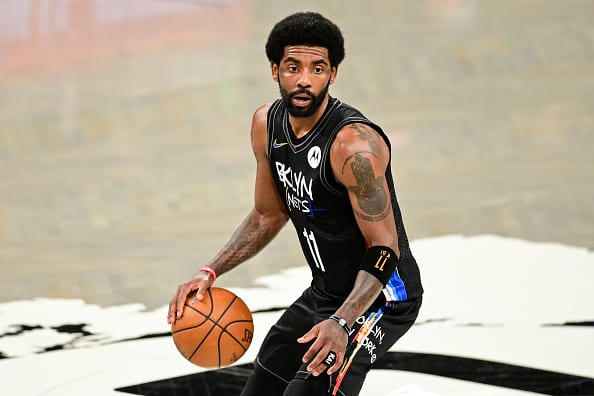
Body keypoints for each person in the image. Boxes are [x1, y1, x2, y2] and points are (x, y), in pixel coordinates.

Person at [167, 11, 423, 396]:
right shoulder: (266, 125)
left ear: (333, 73)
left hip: (382, 298)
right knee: (266, 378)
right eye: (293, 67)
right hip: (327, 291)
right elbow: (268, 214)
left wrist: (342, 322)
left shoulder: (353, 147)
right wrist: (210, 271)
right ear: (275, 70)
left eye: (317, 68)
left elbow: (385, 248)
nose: (304, 79)